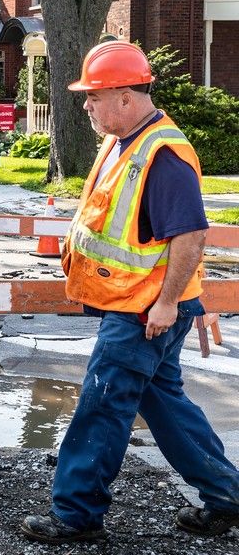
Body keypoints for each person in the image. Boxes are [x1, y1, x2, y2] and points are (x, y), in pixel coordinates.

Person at [21, 41, 239, 543]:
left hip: (145, 311)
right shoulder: (124, 141)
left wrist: (165, 303)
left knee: (103, 403)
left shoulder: (163, 155)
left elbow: (192, 236)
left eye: (94, 96)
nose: (86, 106)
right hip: (139, 306)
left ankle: (76, 516)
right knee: (165, 405)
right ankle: (227, 496)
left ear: (124, 96)